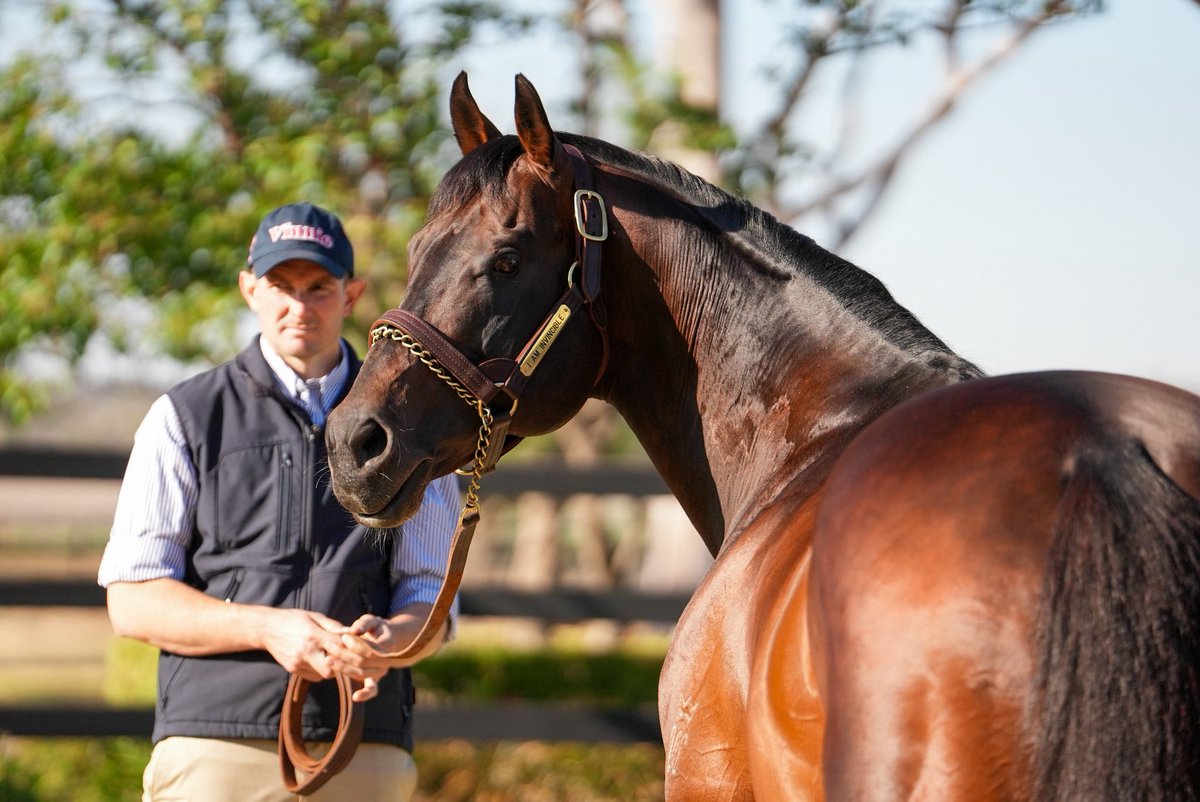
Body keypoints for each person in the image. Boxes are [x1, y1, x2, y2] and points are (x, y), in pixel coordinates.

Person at [98, 201, 460, 801]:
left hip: (363, 740)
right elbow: (133, 602)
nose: (299, 307)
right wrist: (268, 628)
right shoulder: (182, 418)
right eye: (280, 286)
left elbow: (431, 598)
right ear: (249, 290)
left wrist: (389, 644)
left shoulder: (413, 423)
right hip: (215, 743)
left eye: (319, 287)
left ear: (351, 293)